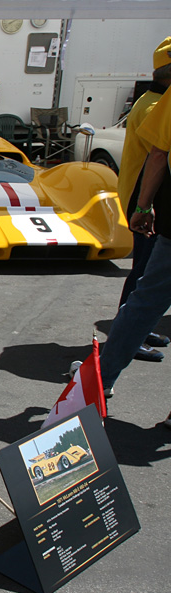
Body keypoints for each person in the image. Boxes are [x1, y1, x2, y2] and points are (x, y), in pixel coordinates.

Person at [95, 56, 171, 428]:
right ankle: (102, 380)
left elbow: (160, 154)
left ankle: (101, 383)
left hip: (163, 218)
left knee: (144, 297)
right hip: (159, 217)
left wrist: (144, 204)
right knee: (142, 293)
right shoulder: (154, 104)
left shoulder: (161, 102)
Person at [112, 37, 171, 362]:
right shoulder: (153, 106)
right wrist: (144, 205)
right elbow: (159, 156)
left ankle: (138, 330)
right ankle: (129, 335)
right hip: (144, 199)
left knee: (146, 272)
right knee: (144, 274)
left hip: (145, 198)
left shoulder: (152, 101)